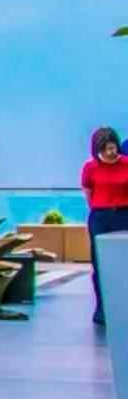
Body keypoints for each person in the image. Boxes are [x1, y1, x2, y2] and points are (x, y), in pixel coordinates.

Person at [83, 126, 128, 325]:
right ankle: (102, 309)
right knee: (99, 265)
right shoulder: (90, 168)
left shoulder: (126, 164)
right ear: (98, 149)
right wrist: (100, 209)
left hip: (124, 215)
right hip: (100, 218)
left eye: (114, 148)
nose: (112, 152)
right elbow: (88, 193)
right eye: (108, 149)